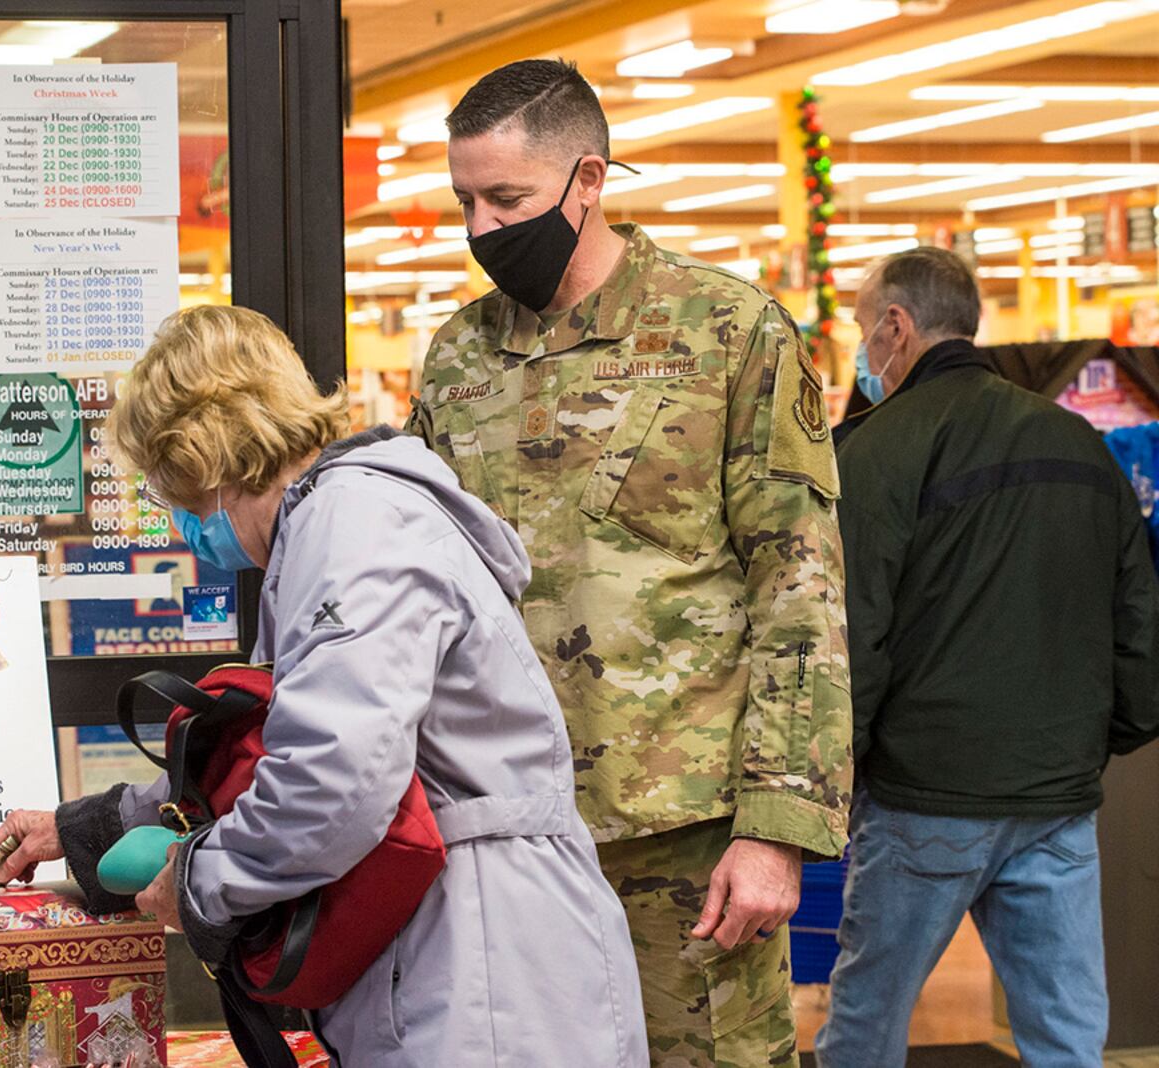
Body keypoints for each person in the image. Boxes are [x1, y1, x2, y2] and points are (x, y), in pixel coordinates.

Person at [0, 305, 649, 1067]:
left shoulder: (354, 530)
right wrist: (83, 829)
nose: (185, 527)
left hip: (487, 965)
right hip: (452, 948)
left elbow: (333, 780)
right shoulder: (321, 534)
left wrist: (198, 882)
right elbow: (276, 753)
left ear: (212, 456)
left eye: (184, 500)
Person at [404, 59, 852, 1066]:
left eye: (507, 199)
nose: (482, 228)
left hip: (683, 834)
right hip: (501, 826)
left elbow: (800, 591)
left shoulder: (724, 332)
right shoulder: (458, 358)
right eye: (465, 201)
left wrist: (777, 827)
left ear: (588, 180)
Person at [815, 247, 1159, 1067]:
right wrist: (1103, 736)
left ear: (896, 327)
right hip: (1058, 797)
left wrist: (832, 775)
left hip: (925, 798)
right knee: (1067, 1035)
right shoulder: (1077, 441)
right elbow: (1138, 614)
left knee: (866, 1027)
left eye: (866, 333)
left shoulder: (874, 449)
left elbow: (850, 632)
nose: (865, 356)